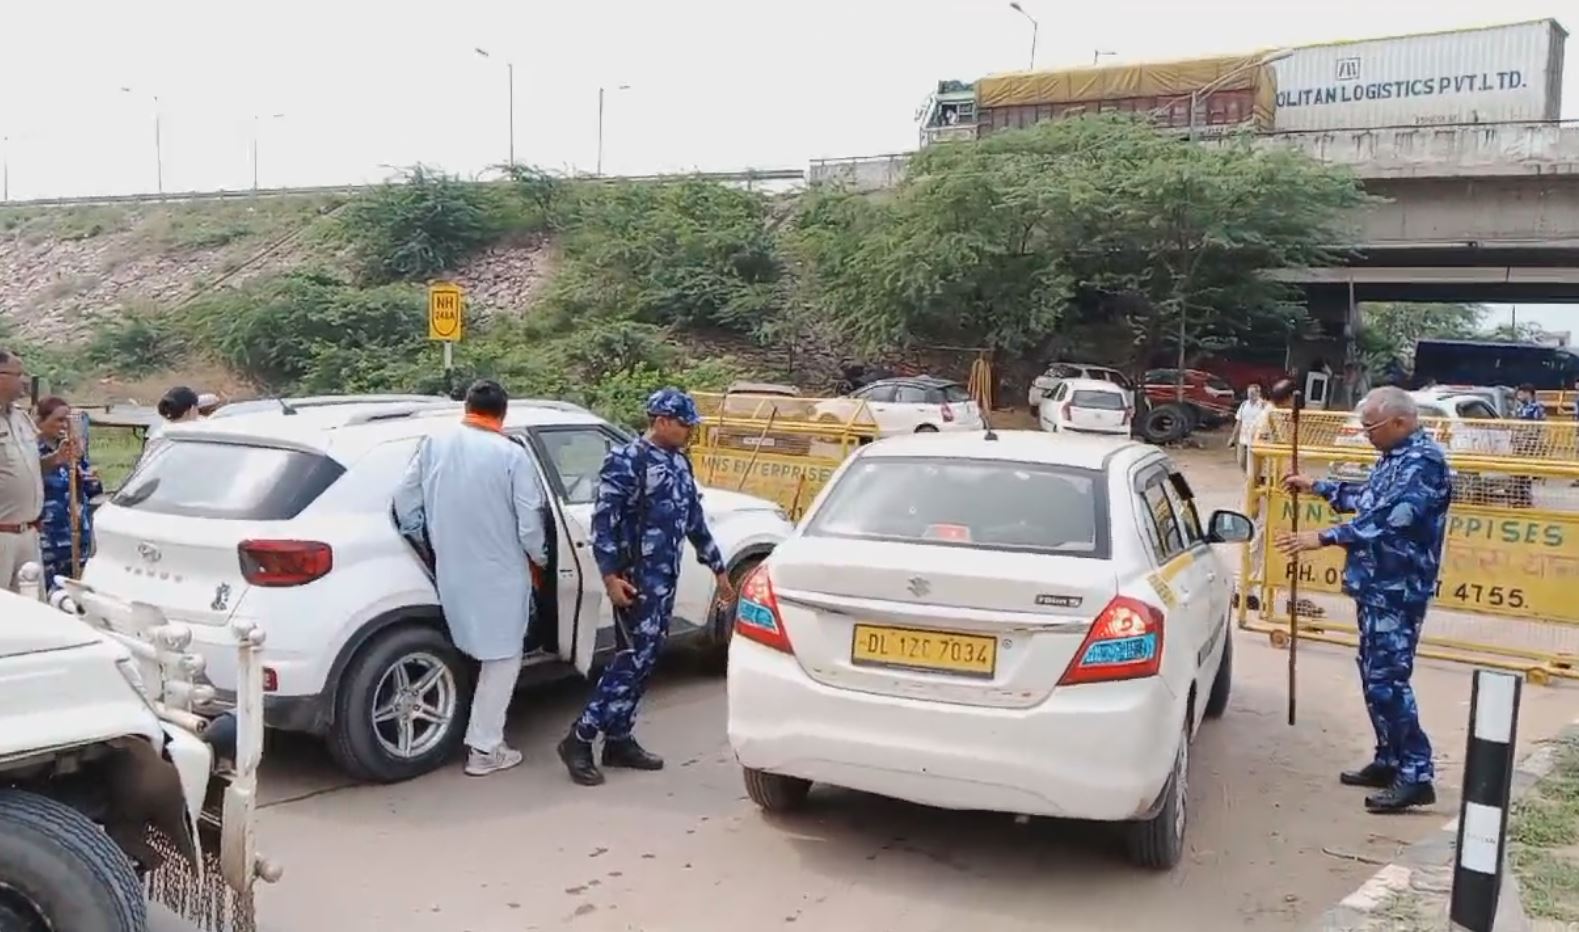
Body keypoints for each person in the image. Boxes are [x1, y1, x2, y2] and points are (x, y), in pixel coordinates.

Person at [1276, 386, 1451, 813]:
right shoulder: (1394, 458)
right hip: (1376, 586)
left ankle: (1416, 772)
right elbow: (1366, 500)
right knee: (1373, 675)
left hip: (1398, 589)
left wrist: (1325, 536)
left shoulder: (1424, 463)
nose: (1365, 434)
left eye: (1370, 427)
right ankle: (1390, 758)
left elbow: (1393, 519)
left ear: (1400, 422)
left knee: (1388, 680)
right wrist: (1317, 485)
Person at [558, 388, 735, 787]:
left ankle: (618, 739)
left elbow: (694, 522)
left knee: (648, 658)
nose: (690, 431)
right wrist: (610, 578)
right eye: (685, 424)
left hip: (664, 579)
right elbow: (603, 525)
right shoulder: (626, 461)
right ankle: (580, 737)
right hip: (633, 580)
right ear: (661, 421)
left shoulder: (679, 463)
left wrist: (720, 572)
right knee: (630, 660)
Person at [393, 380, 548, 777]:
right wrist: (540, 559)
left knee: (469, 647)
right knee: (503, 658)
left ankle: (469, 728)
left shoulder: (434, 444)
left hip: (451, 572)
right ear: (503, 413)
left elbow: (405, 500)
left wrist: (424, 541)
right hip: (500, 574)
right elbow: (530, 522)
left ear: (466, 406)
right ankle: (485, 748)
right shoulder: (511, 455)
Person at [34, 397, 102, 591]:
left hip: (78, 538)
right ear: (40, 421)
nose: (64, 426)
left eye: (68, 421)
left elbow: (90, 492)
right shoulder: (32, 452)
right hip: (49, 540)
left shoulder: (71, 450)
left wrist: (91, 480)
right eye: (59, 420)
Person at [0, 349, 45, 596]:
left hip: (28, 533)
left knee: (31, 609)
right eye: (19, 374)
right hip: (2, 536)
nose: (24, 381)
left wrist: (56, 460)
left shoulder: (21, 418)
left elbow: (27, 468)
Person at [1227, 383, 1268, 473]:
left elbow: (1268, 422)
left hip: (1257, 440)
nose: (1250, 395)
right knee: (1241, 461)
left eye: (1253, 393)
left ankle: (1254, 479)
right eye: (1249, 393)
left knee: (1256, 463)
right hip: (1244, 439)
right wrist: (1233, 437)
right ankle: (1250, 477)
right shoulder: (1244, 405)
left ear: (1258, 393)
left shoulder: (1263, 406)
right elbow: (1239, 421)